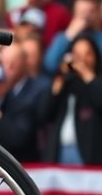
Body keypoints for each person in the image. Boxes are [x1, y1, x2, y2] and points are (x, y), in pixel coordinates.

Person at [40, 33, 102, 165]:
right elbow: (44, 115)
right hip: (59, 151)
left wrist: (87, 75)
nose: (82, 60)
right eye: (77, 55)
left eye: (87, 54)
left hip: (89, 154)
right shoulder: (66, 84)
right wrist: (60, 79)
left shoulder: (96, 83)